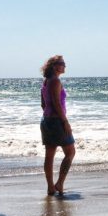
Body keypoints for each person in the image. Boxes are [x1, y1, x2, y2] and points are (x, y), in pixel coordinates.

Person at [40, 55, 75, 196]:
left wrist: (49, 117)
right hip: (56, 122)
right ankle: (59, 183)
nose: (64, 66)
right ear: (54, 66)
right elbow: (56, 103)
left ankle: (50, 187)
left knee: (49, 155)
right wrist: (64, 121)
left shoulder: (46, 82)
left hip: (46, 121)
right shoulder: (55, 81)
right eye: (62, 63)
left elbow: (43, 104)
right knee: (70, 152)